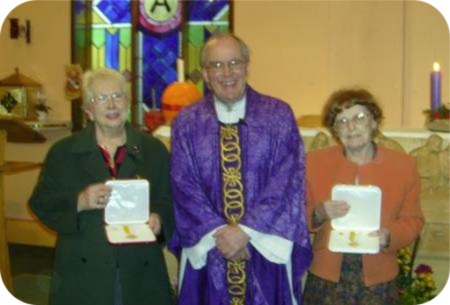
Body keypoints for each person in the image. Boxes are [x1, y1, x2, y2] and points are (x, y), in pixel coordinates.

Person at [169, 32, 312, 305]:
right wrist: (220, 235)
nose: (227, 73)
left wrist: (245, 232)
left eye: (234, 62)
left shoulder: (278, 115)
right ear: (206, 74)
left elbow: (288, 180)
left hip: (265, 247)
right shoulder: (187, 122)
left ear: (247, 66)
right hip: (210, 247)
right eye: (217, 65)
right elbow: (183, 185)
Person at [29, 68, 174, 305]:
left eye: (117, 96)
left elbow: (171, 200)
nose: (111, 105)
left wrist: (160, 219)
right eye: (100, 98)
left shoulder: (153, 150)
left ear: (127, 102)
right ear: (88, 110)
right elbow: (41, 203)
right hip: (83, 268)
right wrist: (79, 201)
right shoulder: (64, 152)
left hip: (140, 266)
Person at [302, 88, 424, 305]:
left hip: (379, 277)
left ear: (374, 122)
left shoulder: (403, 166)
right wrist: (318, 213)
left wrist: (389, 236)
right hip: (327, 275)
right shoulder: (314, 163)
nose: (351, 127)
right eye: (342, 121)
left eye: (359, 117)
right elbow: (295, 213)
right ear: (335, 130)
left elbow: (413, 220)